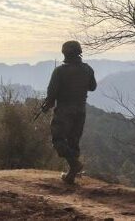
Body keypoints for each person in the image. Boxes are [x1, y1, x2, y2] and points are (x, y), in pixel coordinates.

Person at [41, 40, 97, 184]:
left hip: (64, 110)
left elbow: (51, 93)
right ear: (79, 52)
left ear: (64, 53)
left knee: (58, 139)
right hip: (81, 110)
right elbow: (92, 87)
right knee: (74, 141)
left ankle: (74, 164)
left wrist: (47, 105)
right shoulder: (88, 69)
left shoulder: (59, 71)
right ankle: (71, 175)